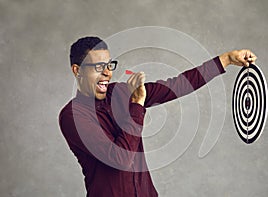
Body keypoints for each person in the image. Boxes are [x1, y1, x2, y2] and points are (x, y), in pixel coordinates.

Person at [59, 36, 257, 197]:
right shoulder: (72, 116)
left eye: (109, 66)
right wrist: (137, 105)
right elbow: (120, 158)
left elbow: (176, 86)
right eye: (97, 67)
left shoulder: (119, 93)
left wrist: (226, 59)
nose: (107, 74)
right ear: (77, 70)